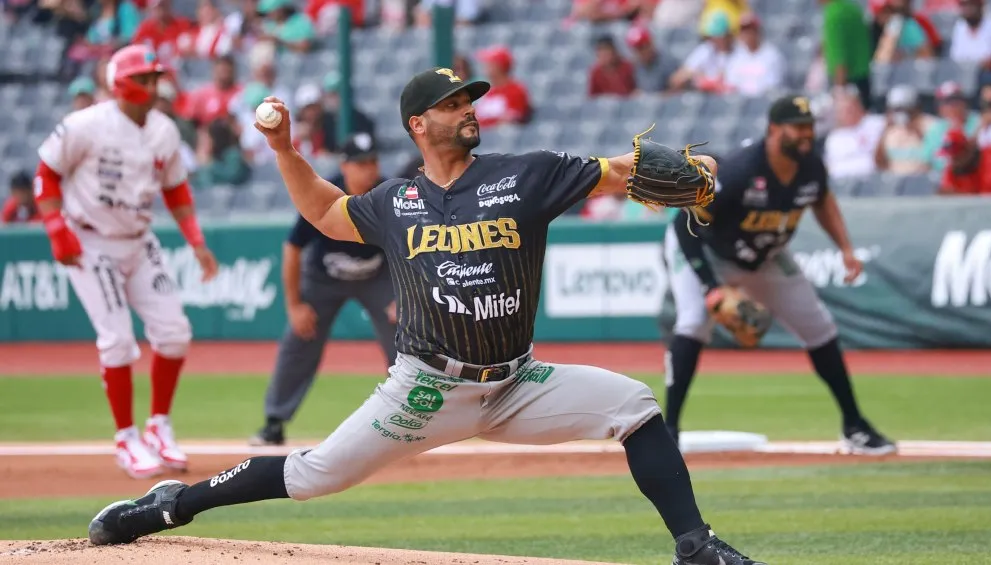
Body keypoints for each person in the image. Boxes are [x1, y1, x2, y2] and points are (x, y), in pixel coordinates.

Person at [86, 66, 766, 565]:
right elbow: (324, 211)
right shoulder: (395, 201)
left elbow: (618, 171)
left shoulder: (525, 173)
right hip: (424, 387)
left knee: (634, 404)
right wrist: (284, 149)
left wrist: (696, 166)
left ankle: (695, 546)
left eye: (470, 97)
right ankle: (172, 502)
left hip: (515, 382)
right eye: (451, 102)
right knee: (311, 473)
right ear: (419, 124)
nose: (467, 107)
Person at [660, 95, 896, 456]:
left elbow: (822, 200)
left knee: (819, 327)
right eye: (797, 127)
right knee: (693, 322)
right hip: (706, 250)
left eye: (809, 126)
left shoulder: (810, 167)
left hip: (766, 256)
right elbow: (684, 221)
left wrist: (846, 248)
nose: (806, 134)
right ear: (773, 130)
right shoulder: (740, 172)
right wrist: (711, 288)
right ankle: (669, 432)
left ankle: (854, 425)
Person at [34, 44, 219, 479]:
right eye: (144, 78)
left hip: (138, 239)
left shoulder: (164, 130)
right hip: (90, 239)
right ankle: (125, 437)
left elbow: (175, 190)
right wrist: (56, 229)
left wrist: (196, 241)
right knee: (117, 341)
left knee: (174, 332)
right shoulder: (86, 124)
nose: (153, 86)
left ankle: (158, 425)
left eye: (155, 78)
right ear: (122, 83)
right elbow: (47, 173)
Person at [250, 132, 398, 446]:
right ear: (344, 166)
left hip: (378, 275)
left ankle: (416, 418)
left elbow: (410, 247)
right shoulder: (325, 193)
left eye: (372, 162)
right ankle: (274, 422)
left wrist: (404, 298)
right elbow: (292, 248)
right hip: (324, 277)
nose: (368, 169)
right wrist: (294, 306)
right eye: (360, 164)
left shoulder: (389, 194)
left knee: (405, 333)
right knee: (300, 338)